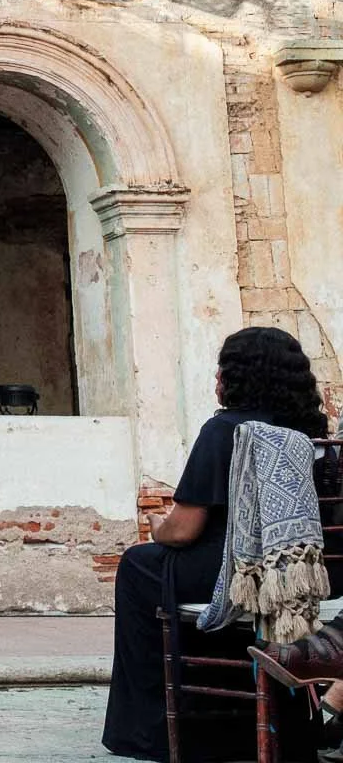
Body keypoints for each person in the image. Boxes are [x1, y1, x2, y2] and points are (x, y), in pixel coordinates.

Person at [104, 326, 330, 762]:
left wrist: (156, 526)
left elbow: (184, 530)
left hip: (240, 575)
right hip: (303, 578)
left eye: (222, 370)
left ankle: (154, 731)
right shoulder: (313, 435)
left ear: (238, 376)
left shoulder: (227, 430)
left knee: (138, 565)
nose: (216, 380)